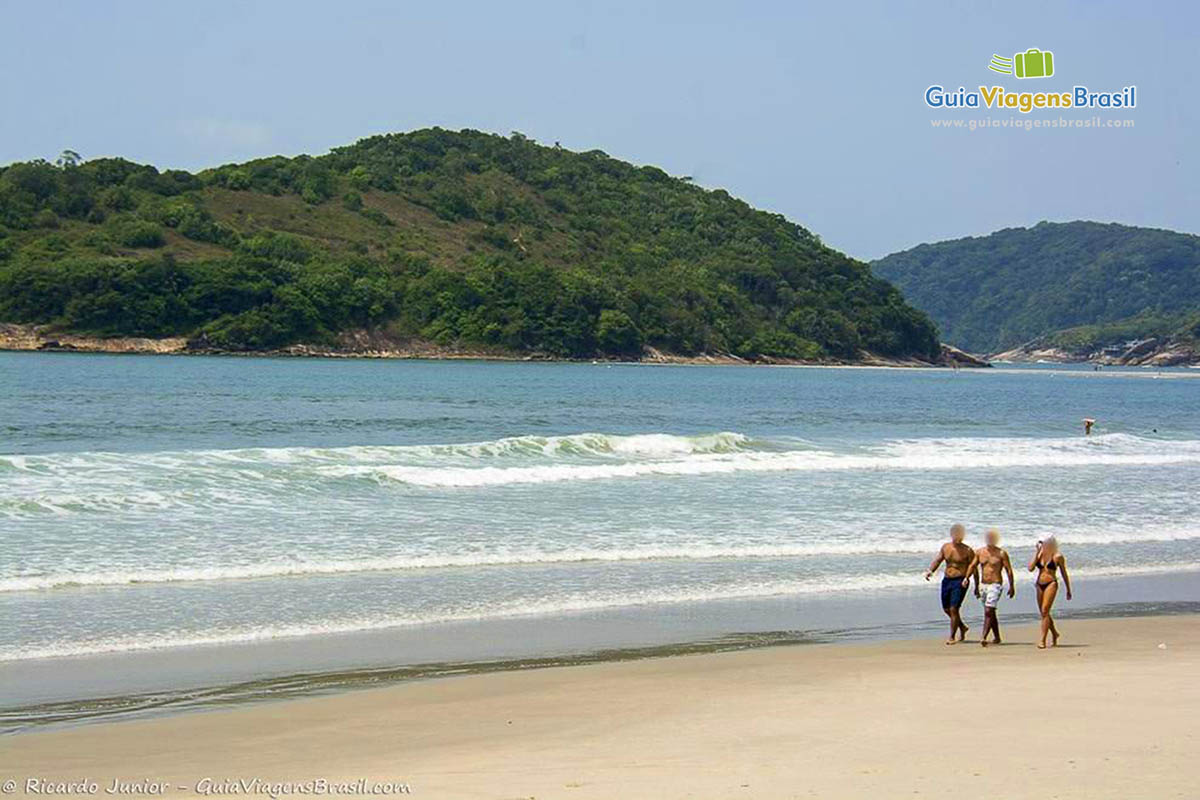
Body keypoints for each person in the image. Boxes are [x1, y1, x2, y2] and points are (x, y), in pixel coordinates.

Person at [961, 530, 1014, 647]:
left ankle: (983, 636)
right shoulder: (980, 552)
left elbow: (1009, 570)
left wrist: (1012, 586)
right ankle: (997, 637)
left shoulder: (1001, 553)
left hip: (996, 585)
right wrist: (966, 577)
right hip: (983, 585)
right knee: (991, 612)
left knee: (988, 611)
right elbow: (972, 565)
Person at [924, 523, 974, 645]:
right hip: (947, 580)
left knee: (954, 608)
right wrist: (930, 571)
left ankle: (952, 636)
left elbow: (973, 567)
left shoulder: (967, 550)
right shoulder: (946, 547)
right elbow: (938, 560)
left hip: (960, 580)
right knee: (946, 609)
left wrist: (972, 582)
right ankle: (962, 627)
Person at [1028, 536, 1073, 648]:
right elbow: (1030, 568)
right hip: (1039, 584)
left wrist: (1068, 589)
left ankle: (1042, 640)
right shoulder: (1039, 554)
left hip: (1051, 583)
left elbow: (1064, 573)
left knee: (1045, 610)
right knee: (1044, 613)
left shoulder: (1058, 556)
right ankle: (1054, 633)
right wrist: (1036, 553)